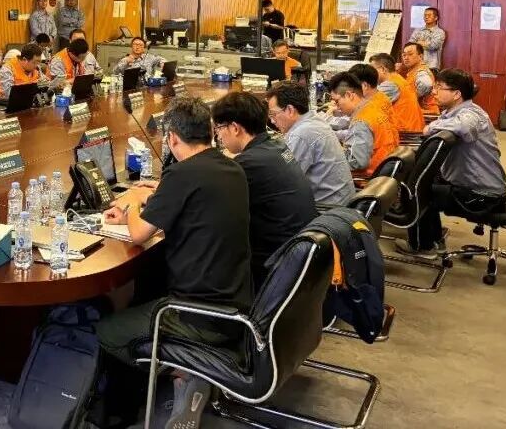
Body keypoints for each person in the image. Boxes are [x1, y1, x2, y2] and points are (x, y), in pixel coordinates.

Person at [97, 96, 252, 428]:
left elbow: (138, 234)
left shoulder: (181, 174)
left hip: (198, 313)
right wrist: (149, 206)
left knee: (108, 331)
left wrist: (132, 203)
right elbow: (192, 213)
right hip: (236, 303)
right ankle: (187, 371)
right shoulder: (232, 167)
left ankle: (184, 372)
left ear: (172, 138)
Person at [397, 69, 506, 259]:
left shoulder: (472, 114)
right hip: (473, 184)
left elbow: (464, 127)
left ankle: (422, 246)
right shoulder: (454, 112)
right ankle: (434, 239)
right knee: (424, 180)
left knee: (417, 189)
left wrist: (431, 127)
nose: (434, 92)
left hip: (480, 194)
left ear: (456, 94)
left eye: (439, 87)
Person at [212, 91, 317, 285]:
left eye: (218, 128)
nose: (218, 135)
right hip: (300, 258)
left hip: (272, 267)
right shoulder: (276, 147)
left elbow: (207, 204)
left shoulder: (247, 165)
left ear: (235, 128)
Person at [267, 82, 356, 206]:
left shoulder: (301, 134)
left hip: (327, 209)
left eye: (273, 114)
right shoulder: (314, 121)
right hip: (341, 202)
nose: (272, 120)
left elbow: (283, 181)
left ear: (290, 110)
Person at [327, 72, 399, 176]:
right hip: (383, 173)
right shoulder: (372, 108)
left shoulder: (361, 121)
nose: (337, 107)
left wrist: (328, 154)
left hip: (368, 178)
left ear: (349, 95)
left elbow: (356, 162)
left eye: (337, 101)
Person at [369, 53, 425, 132]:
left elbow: (367, 104)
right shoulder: (397, 79)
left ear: (383, 69)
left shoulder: (391, 85)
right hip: (409, 129)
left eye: (371, 70)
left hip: (405, 133)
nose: (369, 74)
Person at [401, 42, 439, 115]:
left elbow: (426, 84)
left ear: (420, 56)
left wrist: (409, 99)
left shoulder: (421, 71)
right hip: (419, 113)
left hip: (427, 114)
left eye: (410, 54)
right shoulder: (414, 70)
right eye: (404, 55)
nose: (406, 58)